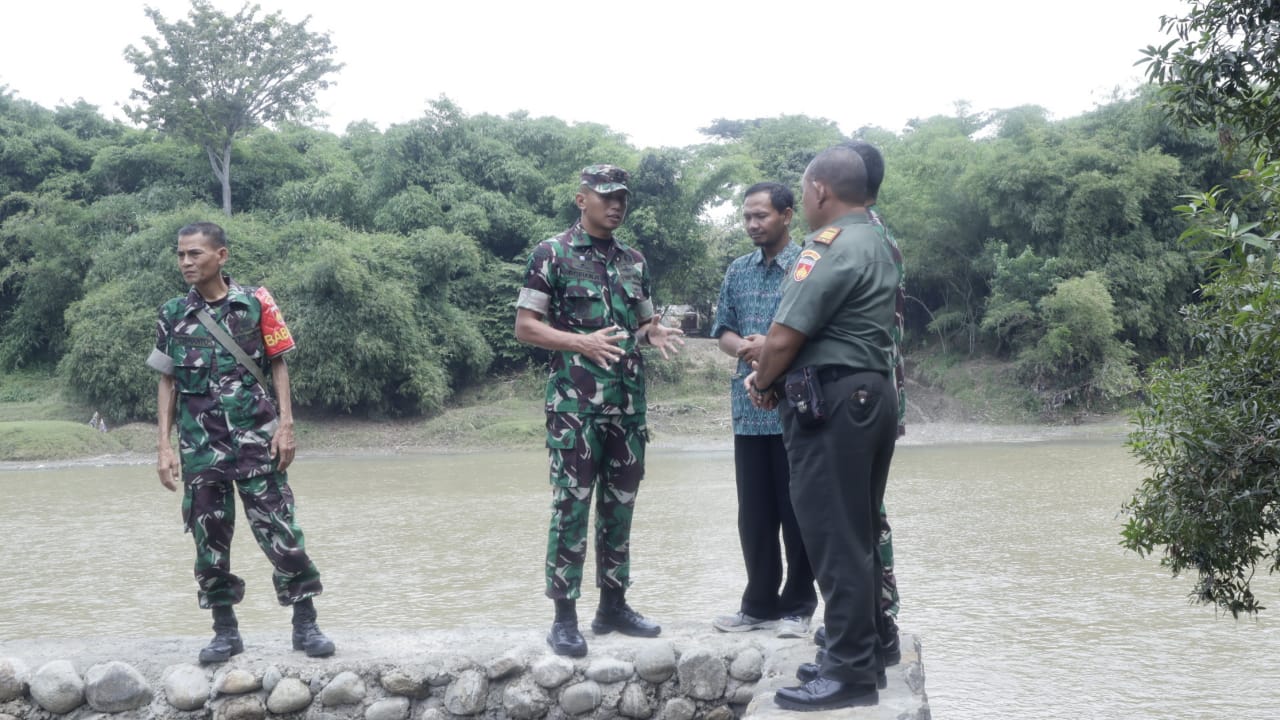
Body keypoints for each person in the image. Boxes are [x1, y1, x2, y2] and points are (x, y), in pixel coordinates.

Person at [745, 144, 902, 710]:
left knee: (833, 538)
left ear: (818, 192)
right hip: (869, 396)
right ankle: (858, 649)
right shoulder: (878, 240)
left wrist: (762, 381)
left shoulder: (827, 246)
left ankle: (849, 671)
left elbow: (786, 334)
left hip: (835, 403)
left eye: (805, 190)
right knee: (854, 533)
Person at [514, 164, 684, 657]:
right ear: (581, 198)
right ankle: (563, 618)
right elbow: (526, 326)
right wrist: (578, 342)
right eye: (606, 196)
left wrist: (653, 332)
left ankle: (614, 605)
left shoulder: (634, 260)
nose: (616, 205)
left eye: (622, 198)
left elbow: (644, 321)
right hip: (575, 407)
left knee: (620, 507)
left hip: (627, 406)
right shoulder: (553, 254)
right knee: (571, 505)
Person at [147, 221, 335, 664]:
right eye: (180, 255)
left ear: (221, 256)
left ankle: (305, 625)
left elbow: (279, 366)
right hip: (200, 447)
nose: (186, 262)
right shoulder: (173, 313)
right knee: (208, 538)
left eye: (195, 254)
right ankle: (224, 631)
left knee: (281, 531)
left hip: (257, 440)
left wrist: (286, 425)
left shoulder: (256, 304)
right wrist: (162, 445)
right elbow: (167, 381)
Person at [709, 182, 816, 638]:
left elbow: (813, 329)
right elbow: (723, 331)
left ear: (787, 215)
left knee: (798, 512)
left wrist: (769, 347)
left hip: (797, 408)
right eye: (748, 217)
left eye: (762, 216)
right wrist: (747, 350)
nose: (753, 224)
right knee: (754, 513)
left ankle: (798, 605)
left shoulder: (809, 265)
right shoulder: (738, 270)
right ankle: (758, 605)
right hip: (748, 409)